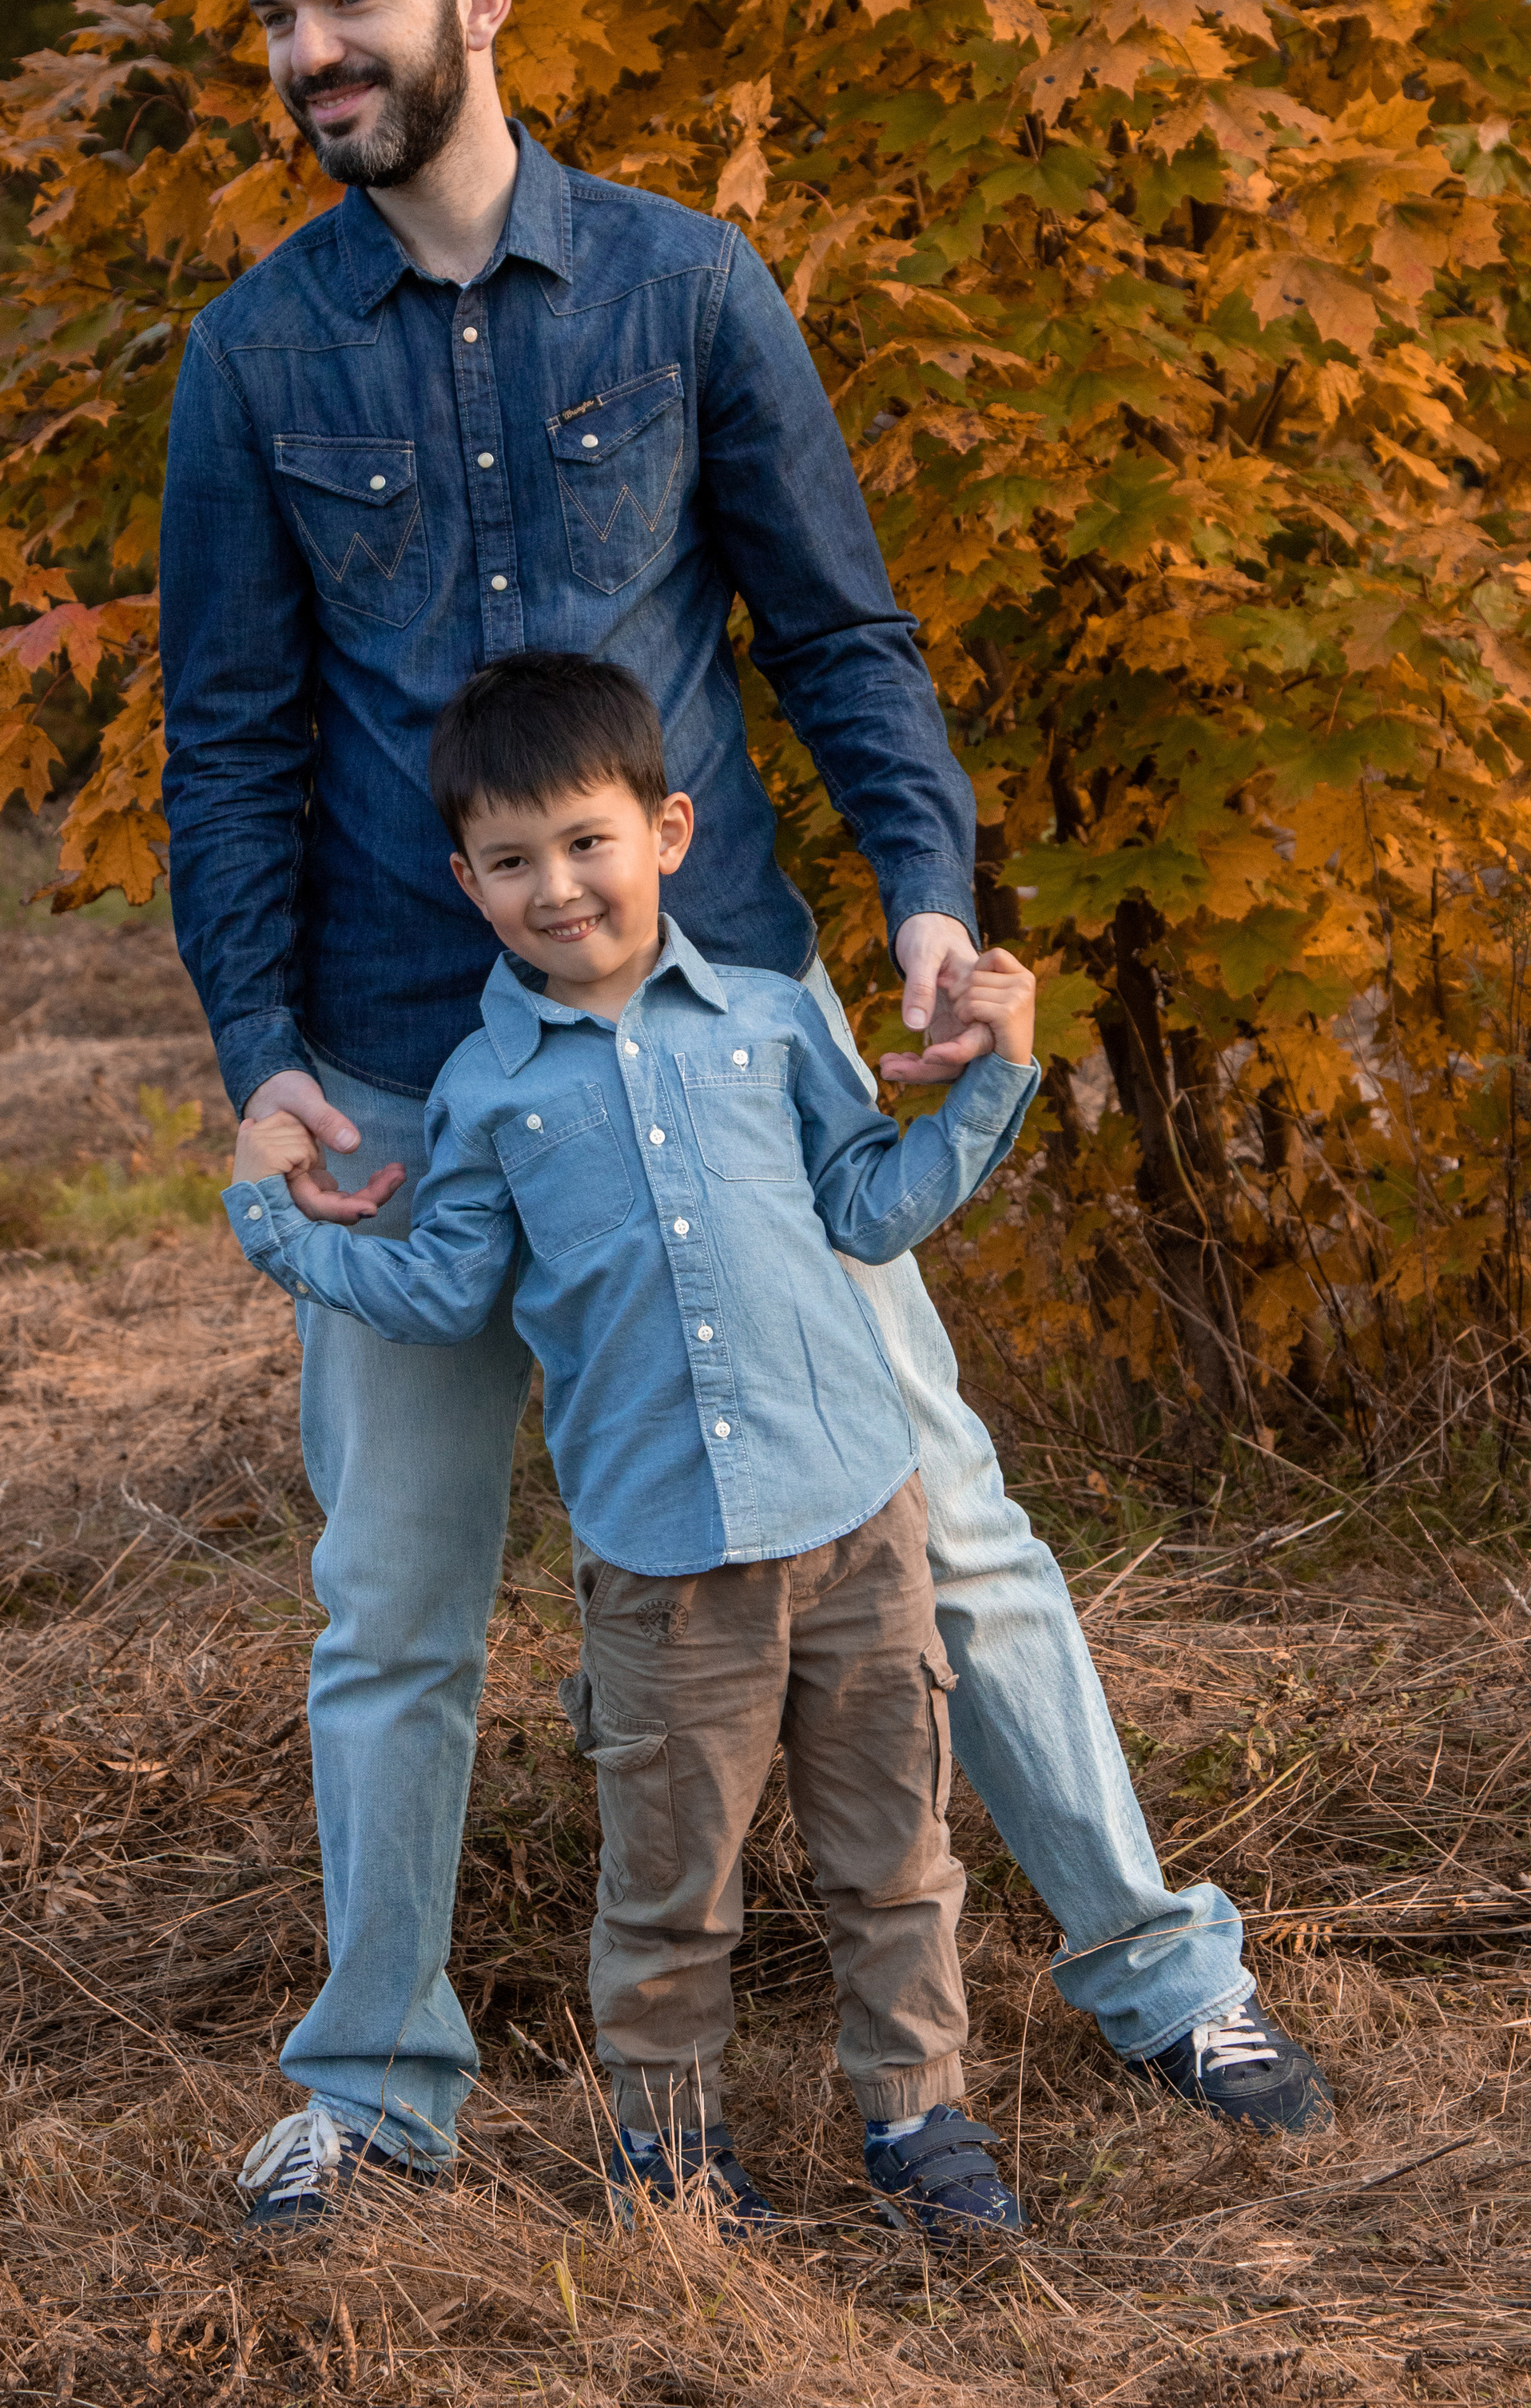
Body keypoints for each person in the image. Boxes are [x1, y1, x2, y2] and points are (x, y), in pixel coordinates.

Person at [158, 0, 1331, 2239]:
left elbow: (841, 634)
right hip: (401, 1069)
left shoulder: (690, 293)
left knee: (952, 1525)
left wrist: (923, 902)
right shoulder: (253, 357)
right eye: (275, 21)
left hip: (730, 1034)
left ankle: (1153, 1966)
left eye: (343, 2)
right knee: (394, 1605)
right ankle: (378, 2087)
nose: (304, 57)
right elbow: (231, 738)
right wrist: (256, 1040)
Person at [229, 652, 1044, 2242]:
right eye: (512, 862)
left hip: (855, 1529)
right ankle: (671, 2156)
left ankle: (919, 2126)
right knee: (673, 1893)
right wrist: (277, 1220)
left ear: (667, 830)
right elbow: (440, 1283)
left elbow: (867, 1207)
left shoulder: (763, 1027)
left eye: (586, 843)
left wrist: (990, 1085)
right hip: (664, 1571)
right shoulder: (481, 1094)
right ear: (464, 882)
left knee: (895, 1859)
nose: (555, 888)